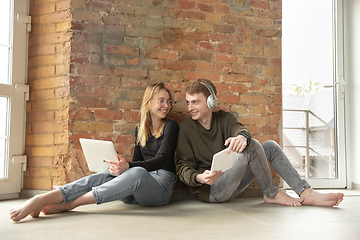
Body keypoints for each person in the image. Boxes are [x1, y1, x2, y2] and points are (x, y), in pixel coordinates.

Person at [10, 82, 179, 222]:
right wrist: (121, 165)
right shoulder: (140, 129)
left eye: (169, 102)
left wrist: (129, 166)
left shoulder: (171, 126)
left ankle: (70, 204)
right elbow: (137, 160)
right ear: (148, 102)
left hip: (160, 187)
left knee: (137, 173)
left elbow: (162, 160)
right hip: (134, 191)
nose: (166, 105)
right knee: (103, 176)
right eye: (161, 101)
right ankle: (43, 198)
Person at [175, 79, 344, 207]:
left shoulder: (224, 118)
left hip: (233, 183)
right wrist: (200, 177)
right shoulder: (186, 129)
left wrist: (242, 137)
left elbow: (240, 130)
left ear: (211, 102)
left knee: (269, 146)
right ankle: (271, 193)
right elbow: (182, 168)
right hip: (212, 191)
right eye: (188, 102)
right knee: (254, 145)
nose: (190, 108)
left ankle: (306, 192)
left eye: (195, 102)